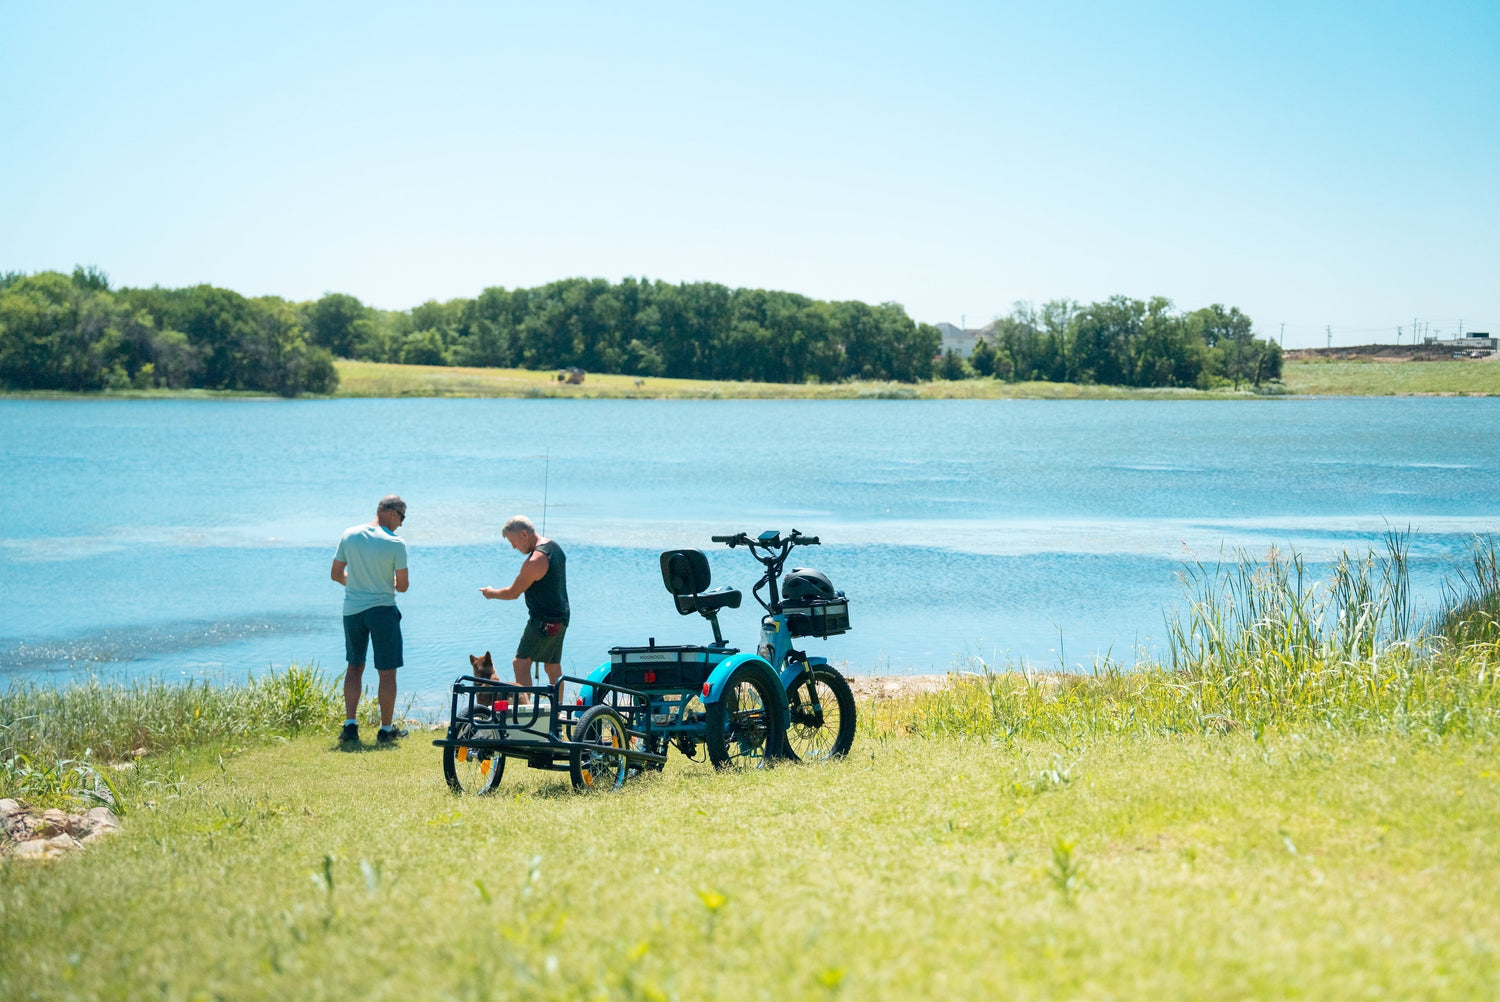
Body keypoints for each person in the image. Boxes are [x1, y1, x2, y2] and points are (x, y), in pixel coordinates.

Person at [331, 495, 409, 744]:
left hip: (352, 610)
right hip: (383, 611)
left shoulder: (349, 534)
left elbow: (336, 574)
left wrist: (356, 583)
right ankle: (386, 730)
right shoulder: (396, 543)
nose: (401, 524)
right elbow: (404, 586)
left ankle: (350, 726)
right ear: (394, 514)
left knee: (354, 666)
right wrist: (385, 584)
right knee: (387, 672)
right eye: (402, 518)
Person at [479, 515, 569, 699]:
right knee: (552, 666)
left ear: (523, 534)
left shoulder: (535, 561)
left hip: (544, 621)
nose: (513, 547)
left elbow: (512, 593)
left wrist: (491, 593)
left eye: (513, 541)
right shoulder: (554, 547)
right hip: (561, 616)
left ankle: (528, 715)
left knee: (520, 664)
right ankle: (557, 713)